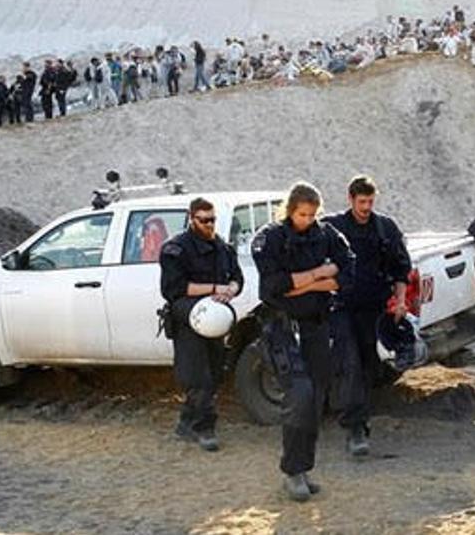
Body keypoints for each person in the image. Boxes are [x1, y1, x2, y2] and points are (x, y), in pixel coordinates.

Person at [252, 182, 355, 502]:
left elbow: (347, 273)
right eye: (302, 214)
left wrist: (305, 284)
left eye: (312, 215)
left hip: (316, 326)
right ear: (290, 210)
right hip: (282, 326)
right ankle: (293, 471)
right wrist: (320, 274)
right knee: (299, 394)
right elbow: (273, 287)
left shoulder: (326, 234)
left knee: (316, 397)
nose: (307, 220)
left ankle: (303, 467)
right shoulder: (271, 238)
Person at [324, 176, 412, 457]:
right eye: (361, 202)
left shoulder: (385, 228)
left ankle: (359, 417)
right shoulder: (332, 227)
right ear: (350, 199)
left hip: (374, 309)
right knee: (349, 363)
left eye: (370, 202)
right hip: (341, 307)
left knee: (367, 366)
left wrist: (400, 302)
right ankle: (356, 429)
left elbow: (401, 269)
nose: (366, 207)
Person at [158, 198, 244, 452]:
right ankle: (204, 427)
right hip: (188, 317)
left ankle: (186, 423)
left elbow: (237, 278)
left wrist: (230, 290)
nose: (209, 225)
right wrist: (214, 288)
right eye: (203, 220)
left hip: (216, 318)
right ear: (191, 218)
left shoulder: (223, 248)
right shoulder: (176, 249)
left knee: (214, 373)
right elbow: (174, 288)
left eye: (212, 220)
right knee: (198, 376)